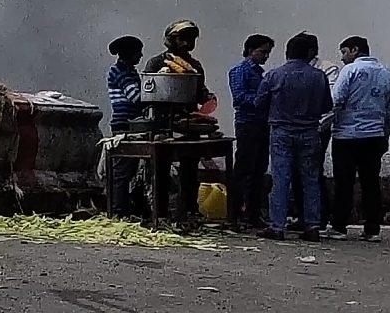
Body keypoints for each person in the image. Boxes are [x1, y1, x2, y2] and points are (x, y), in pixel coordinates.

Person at [260, 32, 334, 240]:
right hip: (310, 132)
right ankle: (312, 226)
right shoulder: (319, 76)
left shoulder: (275, 75)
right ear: (309, 54)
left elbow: (259, 102)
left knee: (281, 178)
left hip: (282, 132)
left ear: (287, 53)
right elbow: (327, 106)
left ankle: (277, 226)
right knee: (310, 179)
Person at [141, 20, 215, 224]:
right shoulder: (156, 63)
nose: (188, 42)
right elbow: (148, 93)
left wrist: (209, 98)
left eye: (191, 39)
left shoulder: (195, 66)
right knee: (160, 169)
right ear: (171, 40)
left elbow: (200, 92)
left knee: (190, 169)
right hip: (162, 122)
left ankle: (188, 210)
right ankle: (160, 212)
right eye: (183, 38)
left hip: (188, 122)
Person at [328, 34, 390, 240]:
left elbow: (336, 100)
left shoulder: (350, 70)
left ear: (355, 50)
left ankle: (339, 226)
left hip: (346, 136)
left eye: (344, 52)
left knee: (344, 182)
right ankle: (372, 229)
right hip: (374, 136)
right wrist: (385, 133)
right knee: (371, 183)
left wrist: (323, 124)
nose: (342, 58)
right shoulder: (387, 74)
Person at [226, 34, 274, 229]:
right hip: (247, 124)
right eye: (263, 52)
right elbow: (239, 97)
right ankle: (235, 213)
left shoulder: (259, 73)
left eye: (268, 53)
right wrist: (262, 99)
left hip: (262, 124)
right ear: (250, 50)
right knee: (244, 169)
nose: (266, 56)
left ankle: (252, 213)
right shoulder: (240, 71)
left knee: (259, 170)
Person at [104, 35, 145, 217]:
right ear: (130, 54)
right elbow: (135, 97)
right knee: (122, 172)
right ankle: (117, 211)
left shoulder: (131, 71)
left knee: (130, 171)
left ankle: (124, 209)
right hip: (123, 126)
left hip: (133, 125)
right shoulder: (118, 72)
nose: (141, 56)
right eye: (138, 52)